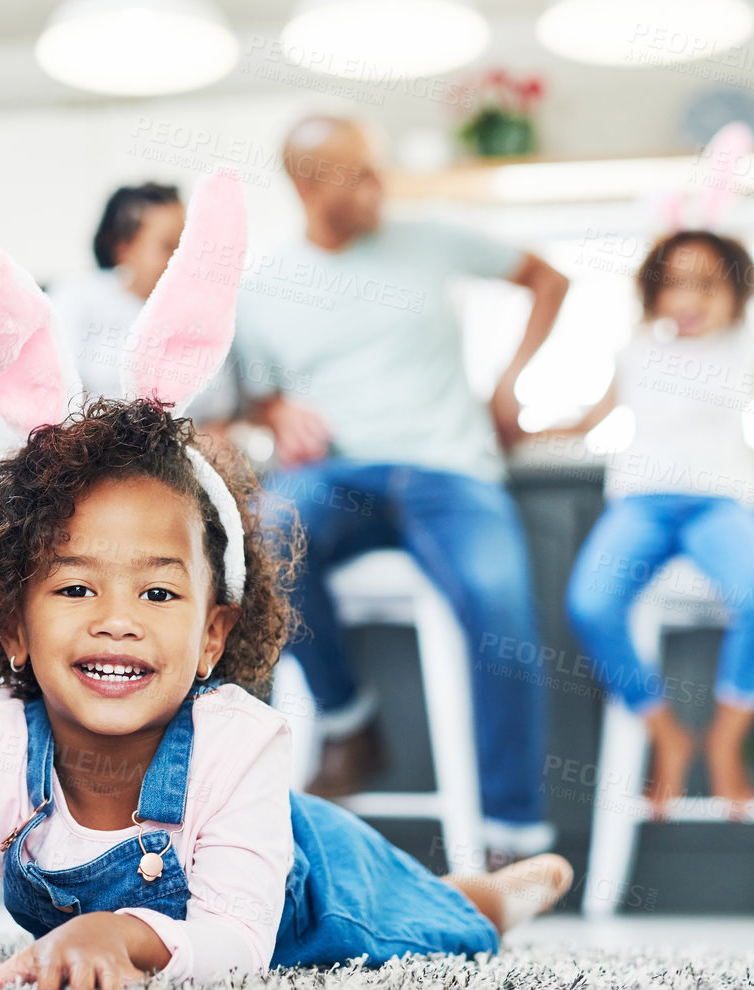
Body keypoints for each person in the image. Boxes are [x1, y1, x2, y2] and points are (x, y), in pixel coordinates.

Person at [0, 173, 573, 990]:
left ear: (213, 633)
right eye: (74, 590)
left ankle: (497, 890)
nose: (117, 622)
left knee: (434, 922)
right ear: (12, 626)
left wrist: (111, 929)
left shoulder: (238, 738)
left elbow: (236, 942)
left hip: (316, 883)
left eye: (159, 594)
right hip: (231, 862)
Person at [232, 115, 570, 868]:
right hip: (338, 472)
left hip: (450, 471)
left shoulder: (430, 238)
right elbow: (255, 395)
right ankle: (350, 722)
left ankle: (513, 837)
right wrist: (276, 409)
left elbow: (547, 277)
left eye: (373, 167)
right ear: (304, 184)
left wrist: (509, 382)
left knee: (497, 603)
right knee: (262, 532)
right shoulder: (262, 289)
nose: (376, 185)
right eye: (354, 173)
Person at [544, 230, 754, 818]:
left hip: (721, 506)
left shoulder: (745, 352)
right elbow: (589, 421)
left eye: (707, 285)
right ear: (653, 292)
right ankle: (664, 732)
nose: (689, 298)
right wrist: (524, 431)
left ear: (737, 292)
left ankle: (727, 739)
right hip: (641, 504)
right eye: (675, 283)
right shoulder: (633, 352)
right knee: (590, 604)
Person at [50, 182, 185, 402]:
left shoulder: (199, 314)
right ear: (123, 248)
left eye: (187, 243)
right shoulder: (76, 298)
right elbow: (56, 395)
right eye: (167, 245)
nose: (181, 257)